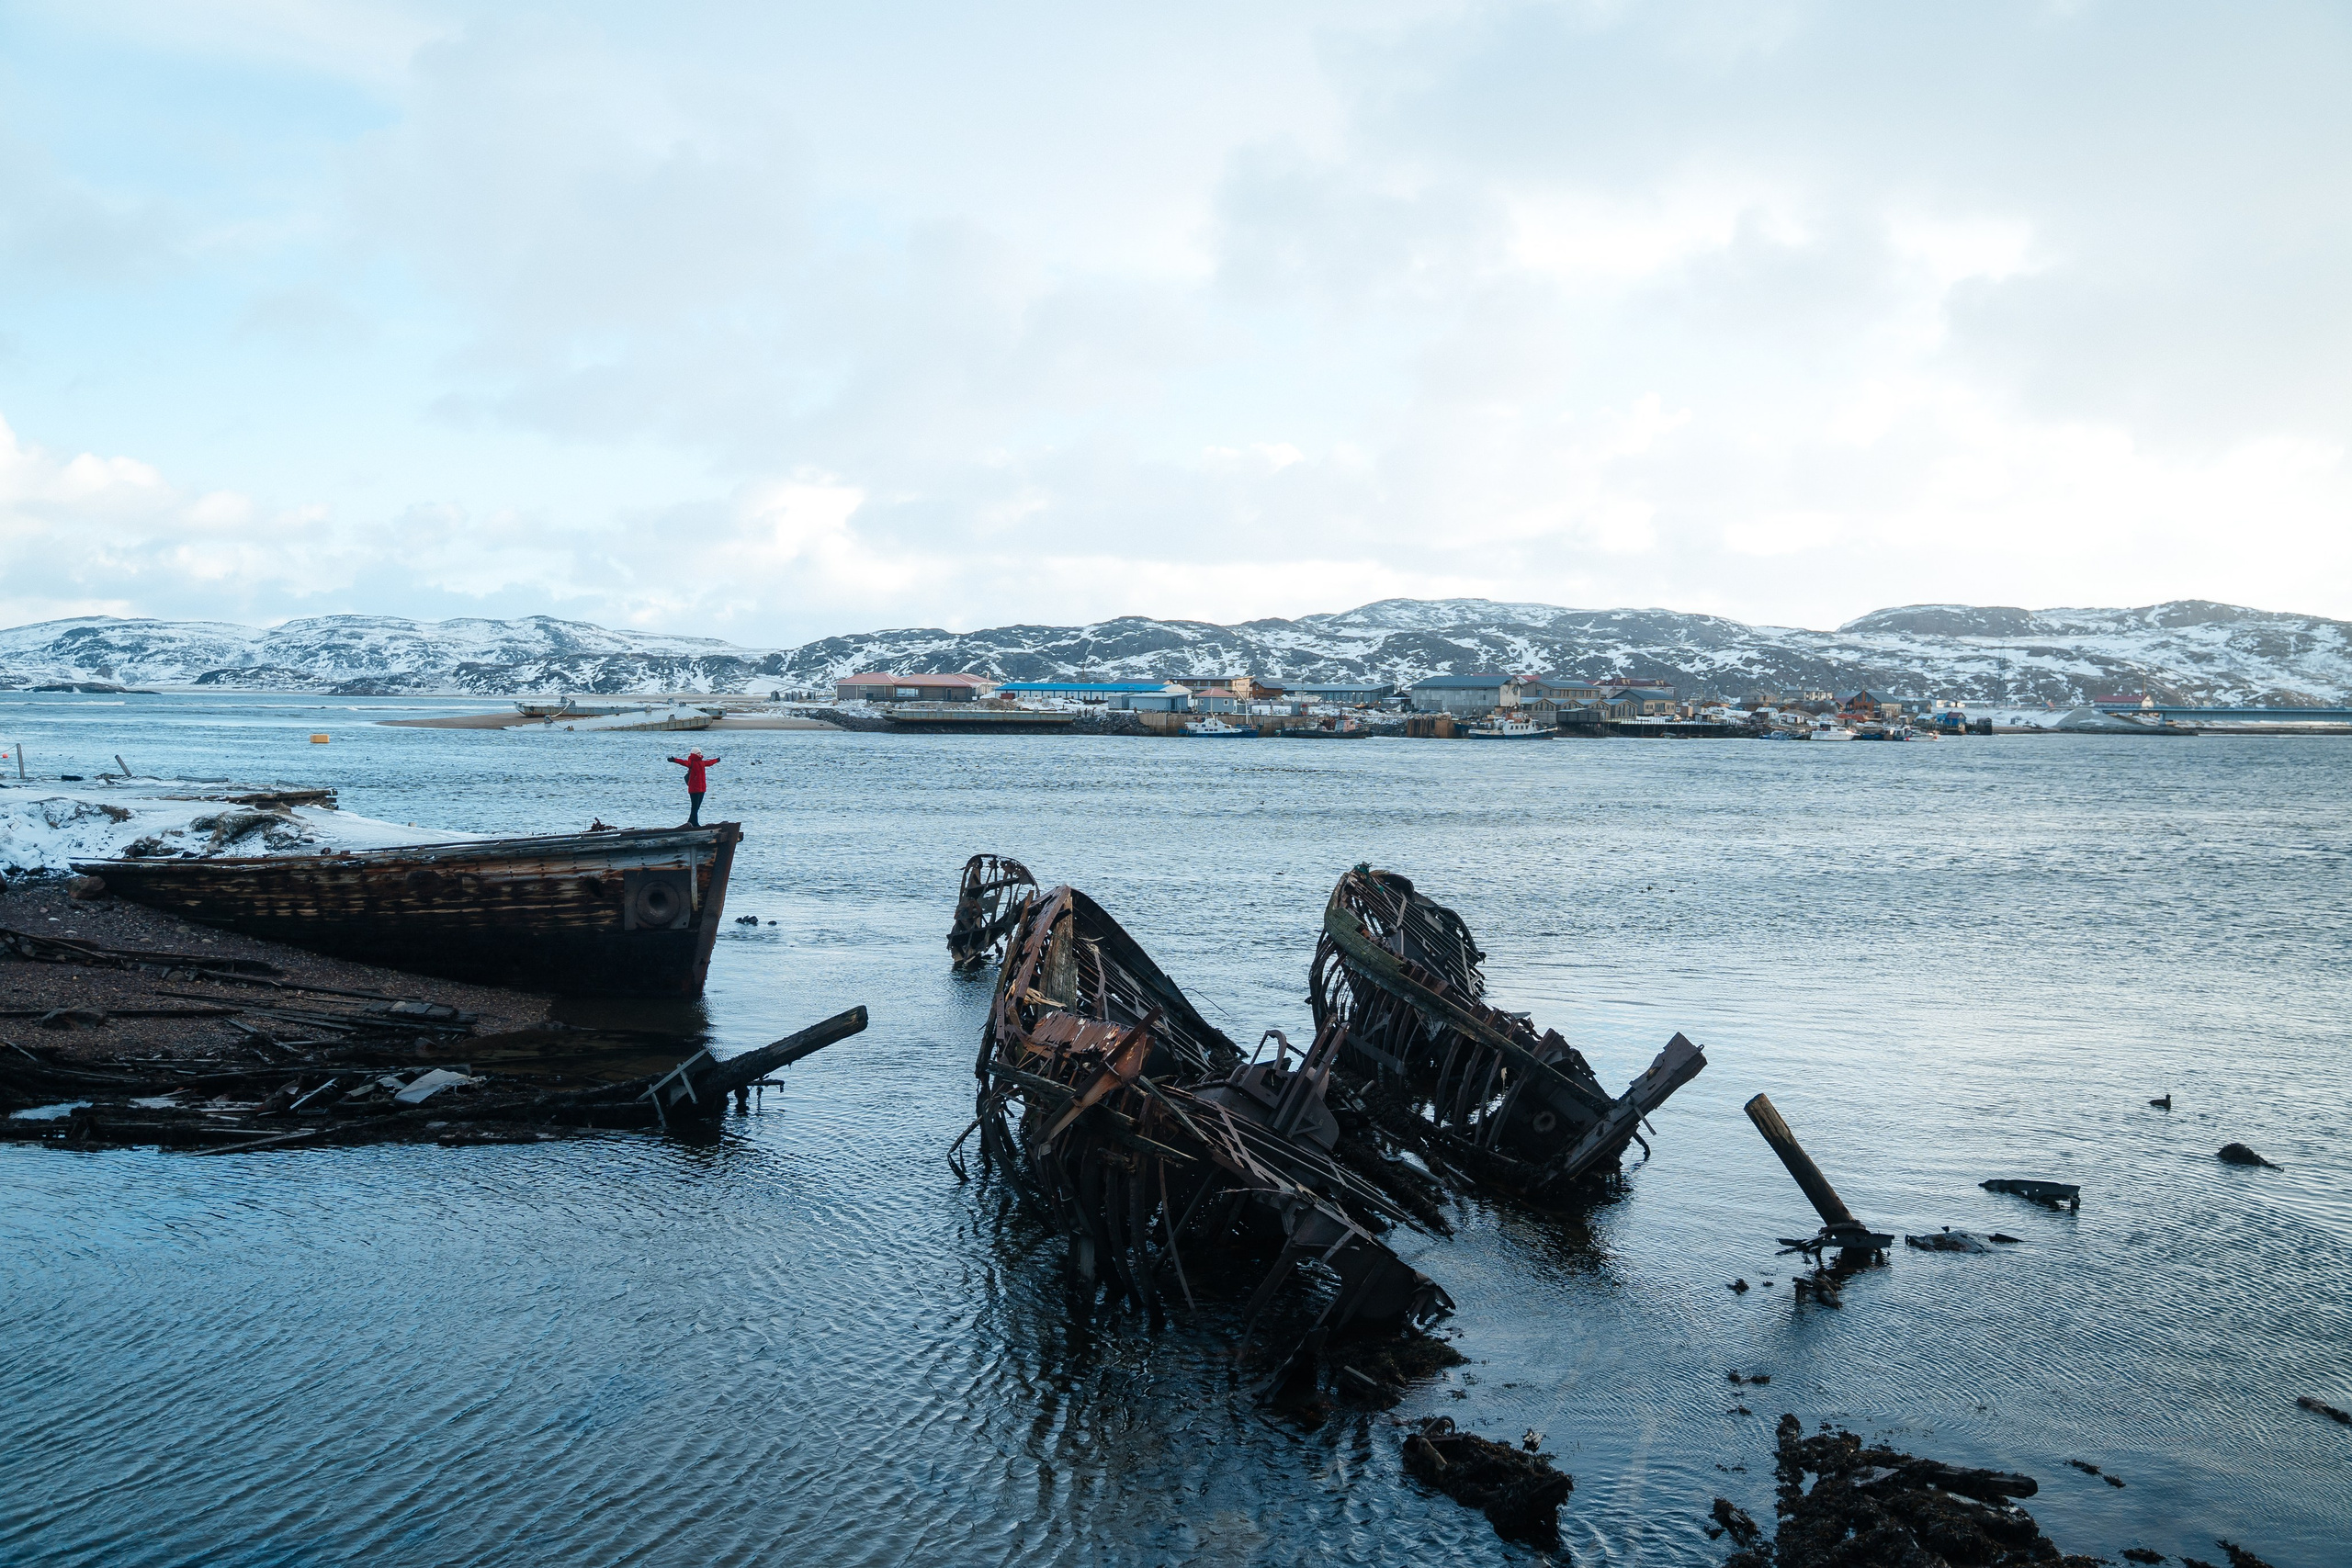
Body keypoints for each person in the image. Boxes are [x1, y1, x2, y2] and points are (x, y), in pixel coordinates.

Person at [668, 748, 721, 825]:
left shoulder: (702, 762)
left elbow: (709, 762)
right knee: (694, 808)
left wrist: (716, 760)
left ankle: (690, 822)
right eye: (698, 753)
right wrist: (674, 760)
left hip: (702, 789)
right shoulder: (691, 762)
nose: (700, 755)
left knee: (697, 808)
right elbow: (683, 762)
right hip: (694, 789)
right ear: (694, 754)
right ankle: (695, 823)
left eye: (700, 753)